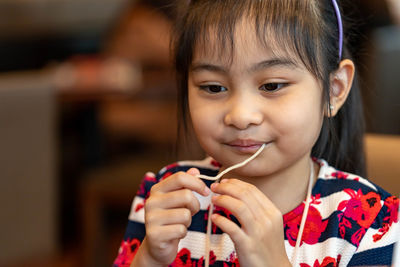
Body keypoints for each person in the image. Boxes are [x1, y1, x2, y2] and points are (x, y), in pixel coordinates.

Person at [113, 0, 399, 266]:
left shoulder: (371, 222)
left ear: (333, 91)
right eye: (213, 87)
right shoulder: (166, 197)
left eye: (272, 85)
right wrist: (149, 257)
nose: (240, 116)